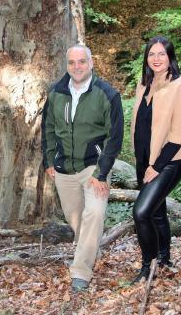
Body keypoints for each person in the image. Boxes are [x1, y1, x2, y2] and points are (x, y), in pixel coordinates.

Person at [41, 44, 124, 292]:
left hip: (93, 167)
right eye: (72, 63)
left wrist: (102, 172)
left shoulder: (107, 94)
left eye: (81, 62)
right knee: (76, 220)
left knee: (95, 213)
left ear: (91, 63)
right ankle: (91, 249)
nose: (77, 67)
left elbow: (115, 137)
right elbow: (48, 129)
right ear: (67, 65)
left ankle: (80, 272)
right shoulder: (56, 92)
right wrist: (48, 161)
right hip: (64, 168)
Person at [130, 36, 181, 282]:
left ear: (170, 57)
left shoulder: (180, 85)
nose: (156, 59)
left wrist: (155, 167)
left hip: (169, 161)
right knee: (156, 212)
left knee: (142, 212)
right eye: (152, 54)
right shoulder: (144, 83)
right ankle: (164, 259)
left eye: (161, 54)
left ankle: (148, 268)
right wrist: (143, 162)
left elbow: (179, 135)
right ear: (147, 58)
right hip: (145, 159)